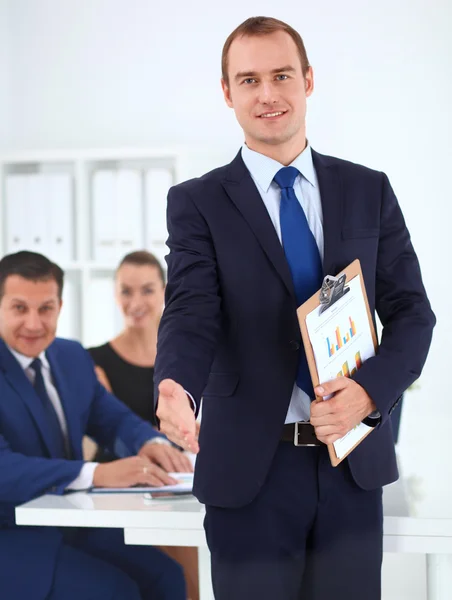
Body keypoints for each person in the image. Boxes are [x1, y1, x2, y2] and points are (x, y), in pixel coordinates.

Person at [153, 16, 436, 600]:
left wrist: (368, 392)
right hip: (251, 473)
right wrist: (175, 382)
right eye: (249, 80)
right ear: (228, 93)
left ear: (308, 80)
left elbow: (412, 313)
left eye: (281, 75)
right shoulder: (198, 203)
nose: (268, 94)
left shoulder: (368, 189)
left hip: (351, 465)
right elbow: (191, 309)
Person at [0, 250, 187, 600]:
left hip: (70, 524)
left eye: (46, 308)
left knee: (168, 577)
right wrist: (96, 473)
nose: (34, 323)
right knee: (117, 592)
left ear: (60, 305)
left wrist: (152, 443)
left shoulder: (69, 355)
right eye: (19, 308)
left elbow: (110, 417)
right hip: (12, 536)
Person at [88, 250, 199, 600]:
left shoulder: (188, 361)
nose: (135, 301)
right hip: (127, 493)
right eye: (126, 291)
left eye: (146, 290)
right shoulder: (94, 361)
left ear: (165, 291)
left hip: (184, 485)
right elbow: (104, 431)